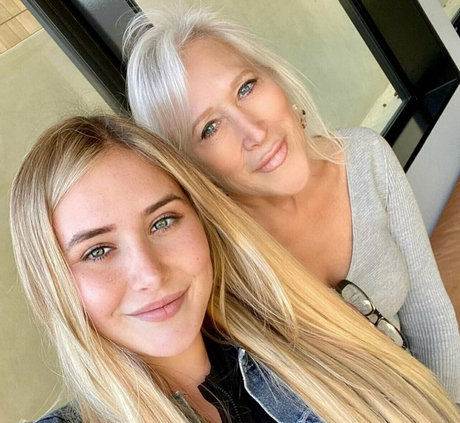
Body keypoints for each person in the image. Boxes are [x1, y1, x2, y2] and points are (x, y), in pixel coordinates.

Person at [10, 116, 460, 423]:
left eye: (163, 222)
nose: (150, 274)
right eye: (97, 251)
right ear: (51, 283)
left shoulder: (305, 337)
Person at [124, 5, 460, 400]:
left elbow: (432, 319)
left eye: (246, 88)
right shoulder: (220, 268)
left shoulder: (366, 157)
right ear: (192, 167)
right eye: (209, 128)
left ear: (273, 76)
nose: (255, 132)